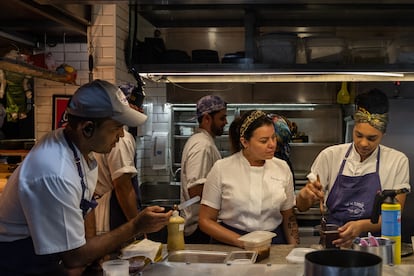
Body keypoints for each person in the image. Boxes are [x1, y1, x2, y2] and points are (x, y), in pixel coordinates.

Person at [0, 79, 172, 275]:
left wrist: (93, 253)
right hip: (19, 260)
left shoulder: (79, 151)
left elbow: (86, 204)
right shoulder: (55, 171)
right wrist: (135, 225)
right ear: (87, 128)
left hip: (48, 256)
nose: (121, 136)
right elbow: (74, 257)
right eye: (116, 128)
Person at [296, 88, 411, 248]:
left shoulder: (397, 161)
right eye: (358, 135)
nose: (364, 143)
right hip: (333, 243)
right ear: (353, 127)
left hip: (375, 248)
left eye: (372, 138)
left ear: (383, 134)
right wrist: (304, 195)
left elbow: (393, 216)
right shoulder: (330, 156)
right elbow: (302, 207)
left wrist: (362, 226)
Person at [199, 110, 299, 248]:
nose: (272, 145)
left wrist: (293, 249)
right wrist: (240, 241)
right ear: (245, 142)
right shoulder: (222, 169)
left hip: (273, 243)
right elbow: (205, 220)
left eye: (273, 138)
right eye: (264, 141)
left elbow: (289, 217)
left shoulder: (282, 168)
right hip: (230, 243)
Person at [180, 95, 227, 244]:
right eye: (222, 118)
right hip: (199, 229)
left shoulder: (203, 141)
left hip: (202, 226)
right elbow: (195, 190)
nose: (225, 122)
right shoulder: (202, 145)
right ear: (207, 118)